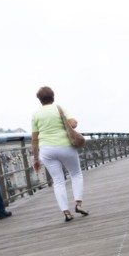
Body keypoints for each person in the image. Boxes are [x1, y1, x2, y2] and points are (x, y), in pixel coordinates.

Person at [31, 86, 89, 223]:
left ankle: (66, 212)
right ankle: (78, 204)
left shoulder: (36, 114)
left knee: (58, 181)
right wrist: (73, 121)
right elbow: (73, 124)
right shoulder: (59, 108)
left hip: (46, 150)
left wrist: (35, 158)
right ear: (53, 96)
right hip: (65, 146)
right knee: (75, 173)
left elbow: (34, 139)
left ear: (39, 100)